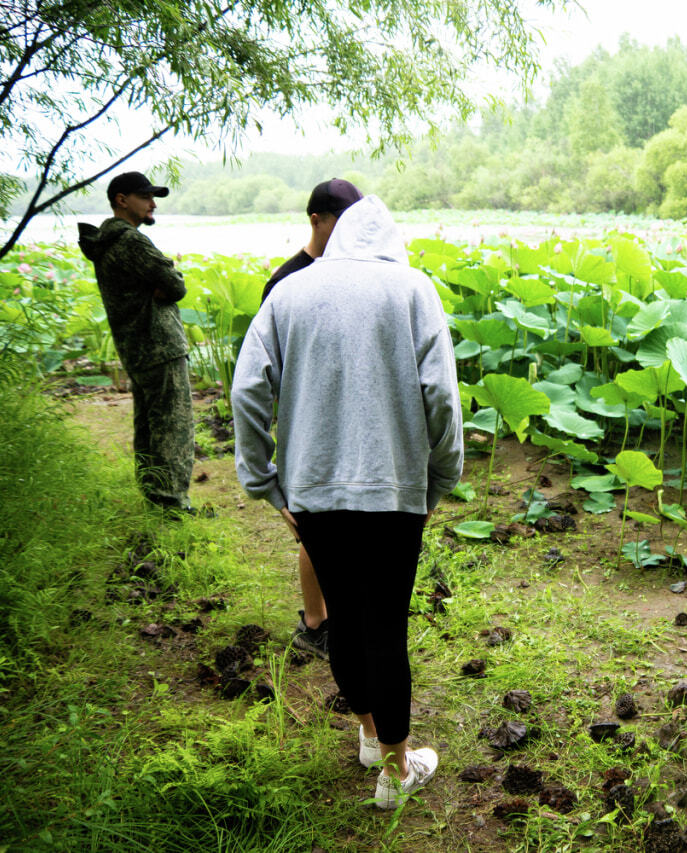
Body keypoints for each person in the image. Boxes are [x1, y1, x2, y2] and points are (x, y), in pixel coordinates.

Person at [232, 194, 463, 809]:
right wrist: (439, 479)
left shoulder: (289, 293)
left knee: (343, 619)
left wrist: (264, 480)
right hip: (393, 493)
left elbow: (248, 390)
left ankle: (368, 734)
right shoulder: (413, 290)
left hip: (313, 493)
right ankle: (395, 771)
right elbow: (441, 397)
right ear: (391, 240)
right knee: (386, 624)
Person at [261, 178, 365, 661]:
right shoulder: (284, 282)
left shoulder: (361, 274)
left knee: (348, 522)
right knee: (314, 527)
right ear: (316, 219)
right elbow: (265, 369)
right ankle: (316, 621)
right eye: (339, 223)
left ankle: (339, 614)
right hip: (304, 419)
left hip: (353, 414)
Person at [79, 171, 196, 514]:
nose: (152, 204)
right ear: (122, 200)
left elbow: (163, 281)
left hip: (135, 347)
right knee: (174, 426)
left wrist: (163, 279)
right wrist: (169, 277)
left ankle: (155, 497)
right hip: (160, 345)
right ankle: (172, 506)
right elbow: (175, 286)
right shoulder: (131, 241)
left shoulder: (106, 243)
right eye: (146, 197)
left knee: (147, 426)